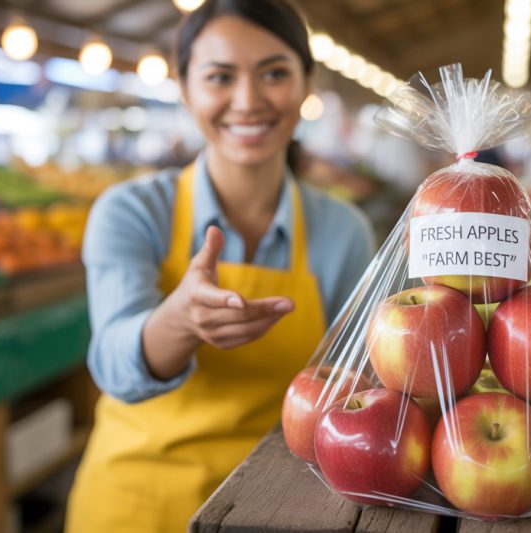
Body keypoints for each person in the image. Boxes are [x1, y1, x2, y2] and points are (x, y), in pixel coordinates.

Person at [65, 1, 375, 531]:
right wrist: (179, 321)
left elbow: (360, 385)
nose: (248, 100)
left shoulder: (343, 231)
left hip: (282, 508)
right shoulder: (132, 211)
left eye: (274, 73)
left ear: (307, 84)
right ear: (185, 90)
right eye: (220, 77)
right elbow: (114, 367)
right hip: (137, 506)